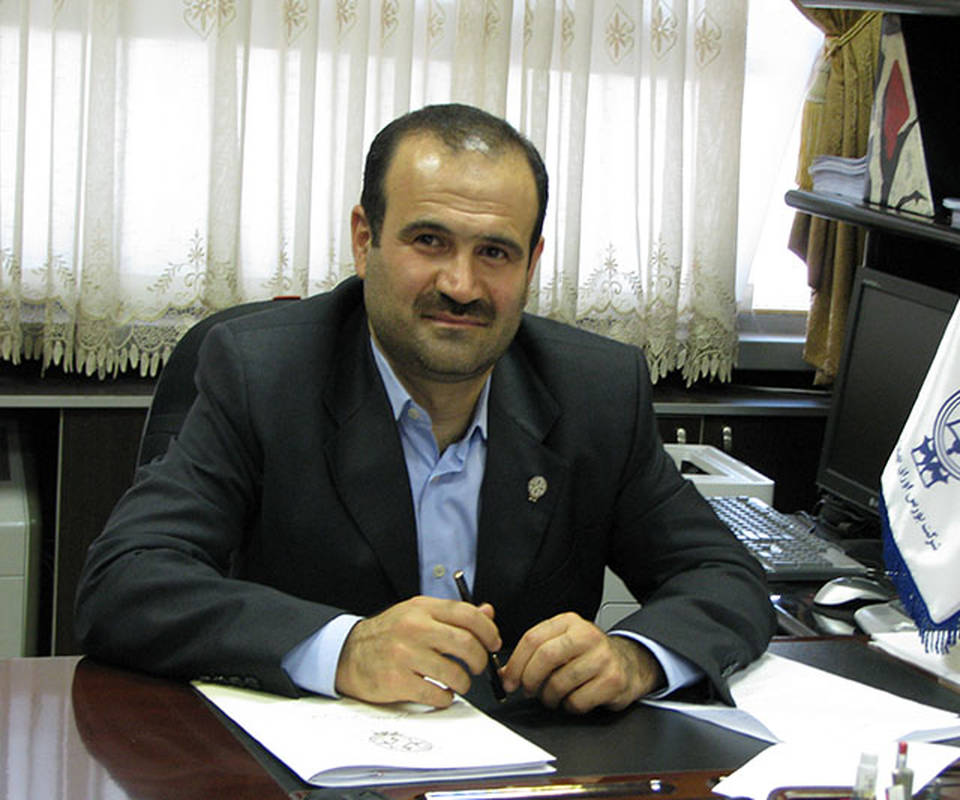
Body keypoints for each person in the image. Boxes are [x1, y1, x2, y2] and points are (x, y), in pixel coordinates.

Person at [75, 103, 774, 714]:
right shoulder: (263, 373)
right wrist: (344, 648)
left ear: (531, 263)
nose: (461, 285)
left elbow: (722, 576)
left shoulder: (595, 390)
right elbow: (127, 581)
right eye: (429, 241)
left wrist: (637, 658)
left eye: (494, 252)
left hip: (521, 765)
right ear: (365, 239)